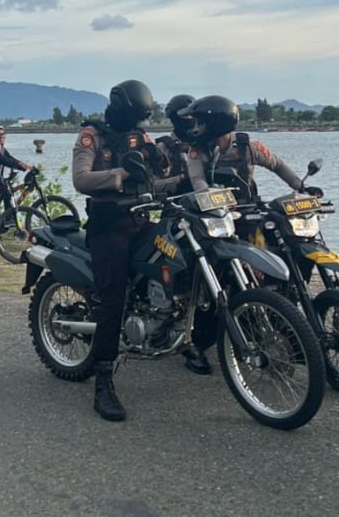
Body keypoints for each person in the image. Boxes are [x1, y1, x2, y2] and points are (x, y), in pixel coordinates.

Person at [72, 79, 167, 421]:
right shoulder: (91, 136)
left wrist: (174, 175)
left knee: (174, 262)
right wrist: (122, 173)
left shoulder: (141, 137)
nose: (138, 123)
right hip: (107, 227)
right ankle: (103, 381)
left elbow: (156, 178)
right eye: (136, 116)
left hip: (140, 221)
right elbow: (81, 180)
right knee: (113, 298)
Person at [181, 95, 315, 199]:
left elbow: (277, 165)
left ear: (214, 124)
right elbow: (197, 178)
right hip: (213, 211)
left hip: (247, 205)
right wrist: (210, 197)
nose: (196, 129)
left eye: (200, 124)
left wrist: (302, 187)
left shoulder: (247, 146)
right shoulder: (197, 150)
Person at [152, 94, 197, 195]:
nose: (189, 118)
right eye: (185, 115)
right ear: (174, 117)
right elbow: (152, 186)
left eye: (192, 115)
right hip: (176, 200)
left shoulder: (204, 145)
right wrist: (180, 180)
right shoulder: (162, 148)